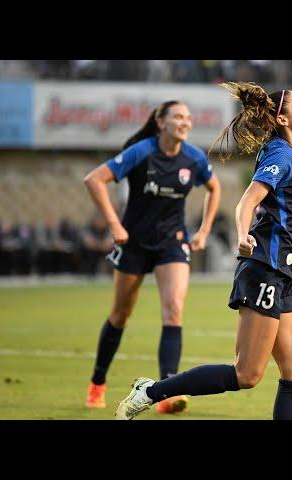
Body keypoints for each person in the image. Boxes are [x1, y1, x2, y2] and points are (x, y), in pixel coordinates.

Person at [114, 82, 292, 420]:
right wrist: (242, 234)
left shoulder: (290, 157)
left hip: (283, 275)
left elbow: (284, 214)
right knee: (246, 374)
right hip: (264, 269)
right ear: (281, 118)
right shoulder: (280, 154)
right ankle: (150, 391)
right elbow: (248, 201)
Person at [83, 100, 221, 414]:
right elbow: (93, 180)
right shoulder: (141, 152)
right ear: (161, 122)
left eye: (188, 117)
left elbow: (215, 188)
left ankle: (166, 392)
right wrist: (114, 224)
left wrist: (204, 230)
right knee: (120, 314)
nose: (185, 122)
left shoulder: (194, 158)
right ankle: (97, 382)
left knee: (173, 310)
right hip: (133, 242)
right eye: (178, 117)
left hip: (172, 243)